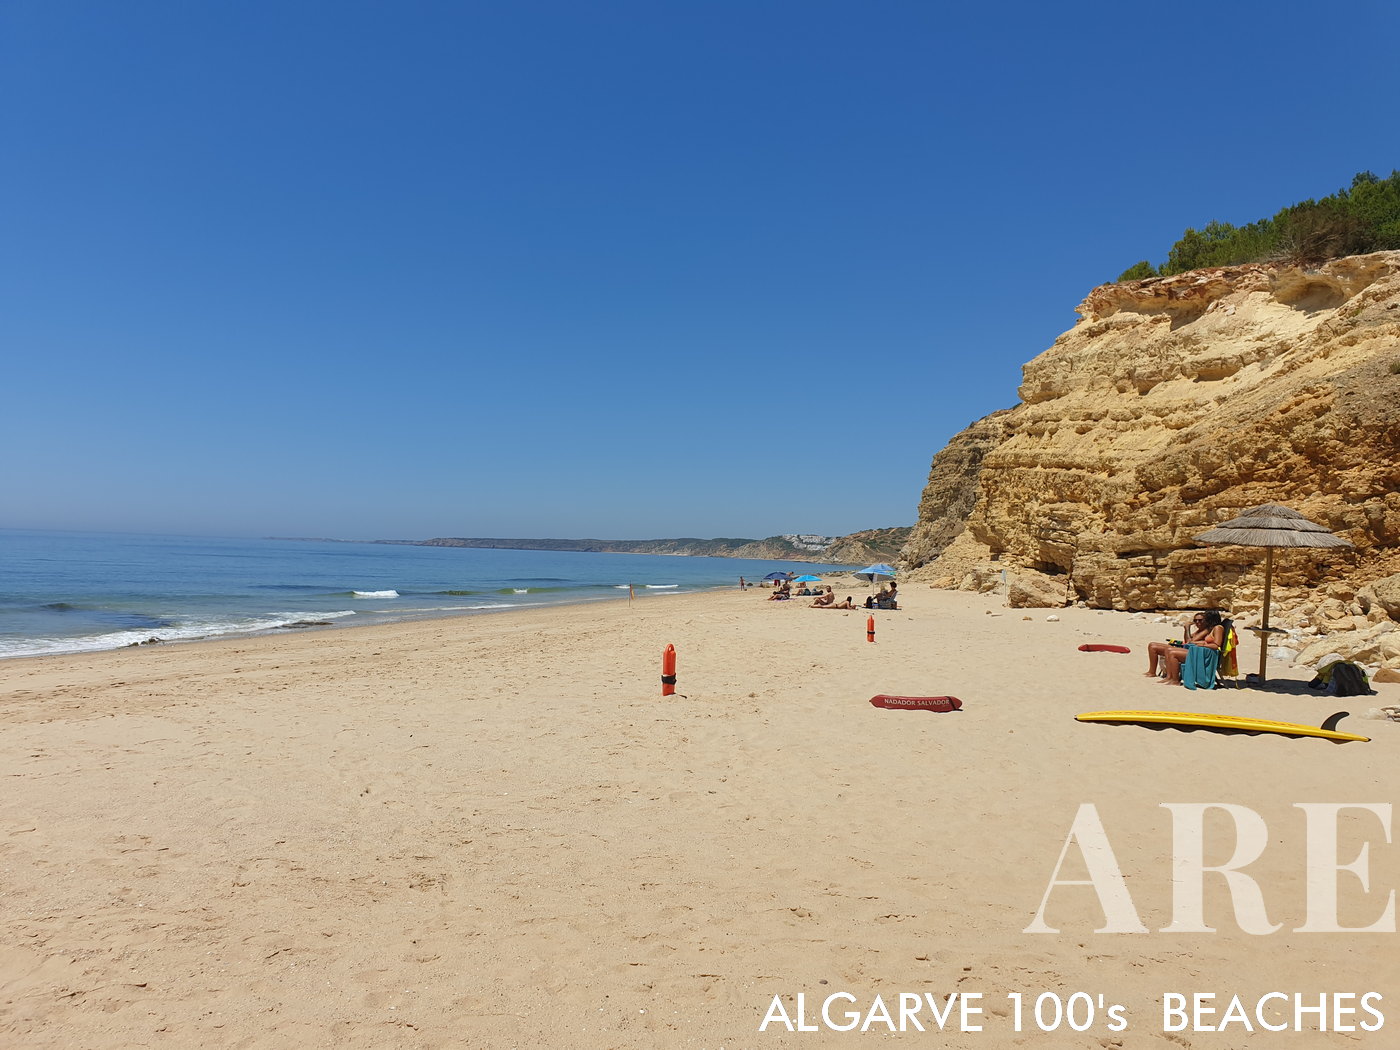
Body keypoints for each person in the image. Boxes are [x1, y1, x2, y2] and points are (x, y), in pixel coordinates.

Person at [1165, 610, 1224, 686]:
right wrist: (1198, 643)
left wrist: (1202, 645)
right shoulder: (1212, 628)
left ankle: (1175, 680)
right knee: (1169, 651)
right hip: (1204, 651)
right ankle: (1170, 677)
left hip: (1208, 654)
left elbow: (1216, 645)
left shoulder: (1218, 628)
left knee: (1173, 653)